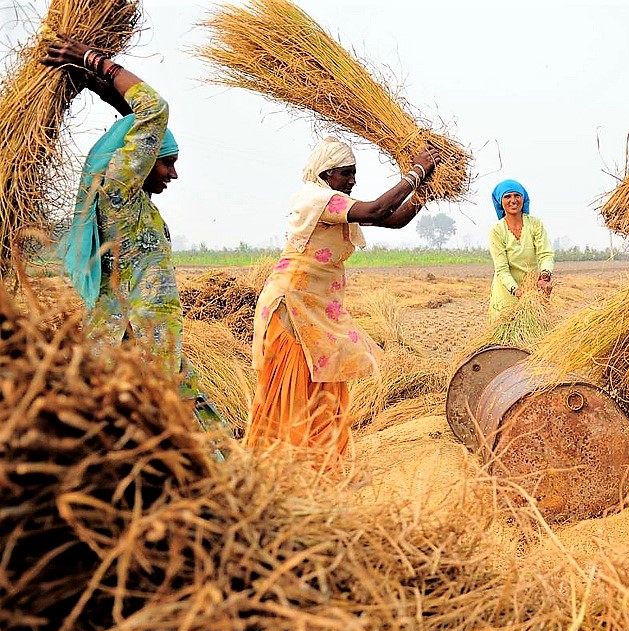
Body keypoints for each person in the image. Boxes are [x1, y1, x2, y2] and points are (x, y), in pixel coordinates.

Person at [41, 37, 227, 435]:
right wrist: (93, 60)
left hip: (146, 341)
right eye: (167, 164)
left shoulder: (132, 200)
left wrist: (92, 82)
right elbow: (153, 110)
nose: (173, 175)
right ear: (141, 160)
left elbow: (136, 121)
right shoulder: (118, 192)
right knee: (159, 437)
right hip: (138, 343)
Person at [245, 137, 439, 463]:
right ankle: (280, 468)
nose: (352, 181)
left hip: (316, 311)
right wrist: (417, 170)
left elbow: (390, 218)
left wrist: (426, 194)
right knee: (291, 391)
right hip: (291, 310)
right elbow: (377, 208)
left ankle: (316, 466)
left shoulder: (332, 203)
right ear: (326, 174)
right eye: (346, 174)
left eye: (353, 173)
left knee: (321, 385)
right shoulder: (318, 200)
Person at [487, 179, 554, 320]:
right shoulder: (497, 231)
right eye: (507, 196)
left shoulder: (535, 224)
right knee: (505, 334)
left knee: (536, 333)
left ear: (524, 199)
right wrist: (517, 291)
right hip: (506, 292)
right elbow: (502, 269)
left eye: (517, 195)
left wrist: (545, 276)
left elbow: (546, 254)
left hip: (533, 288)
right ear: (500, 201)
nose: (513, 200)